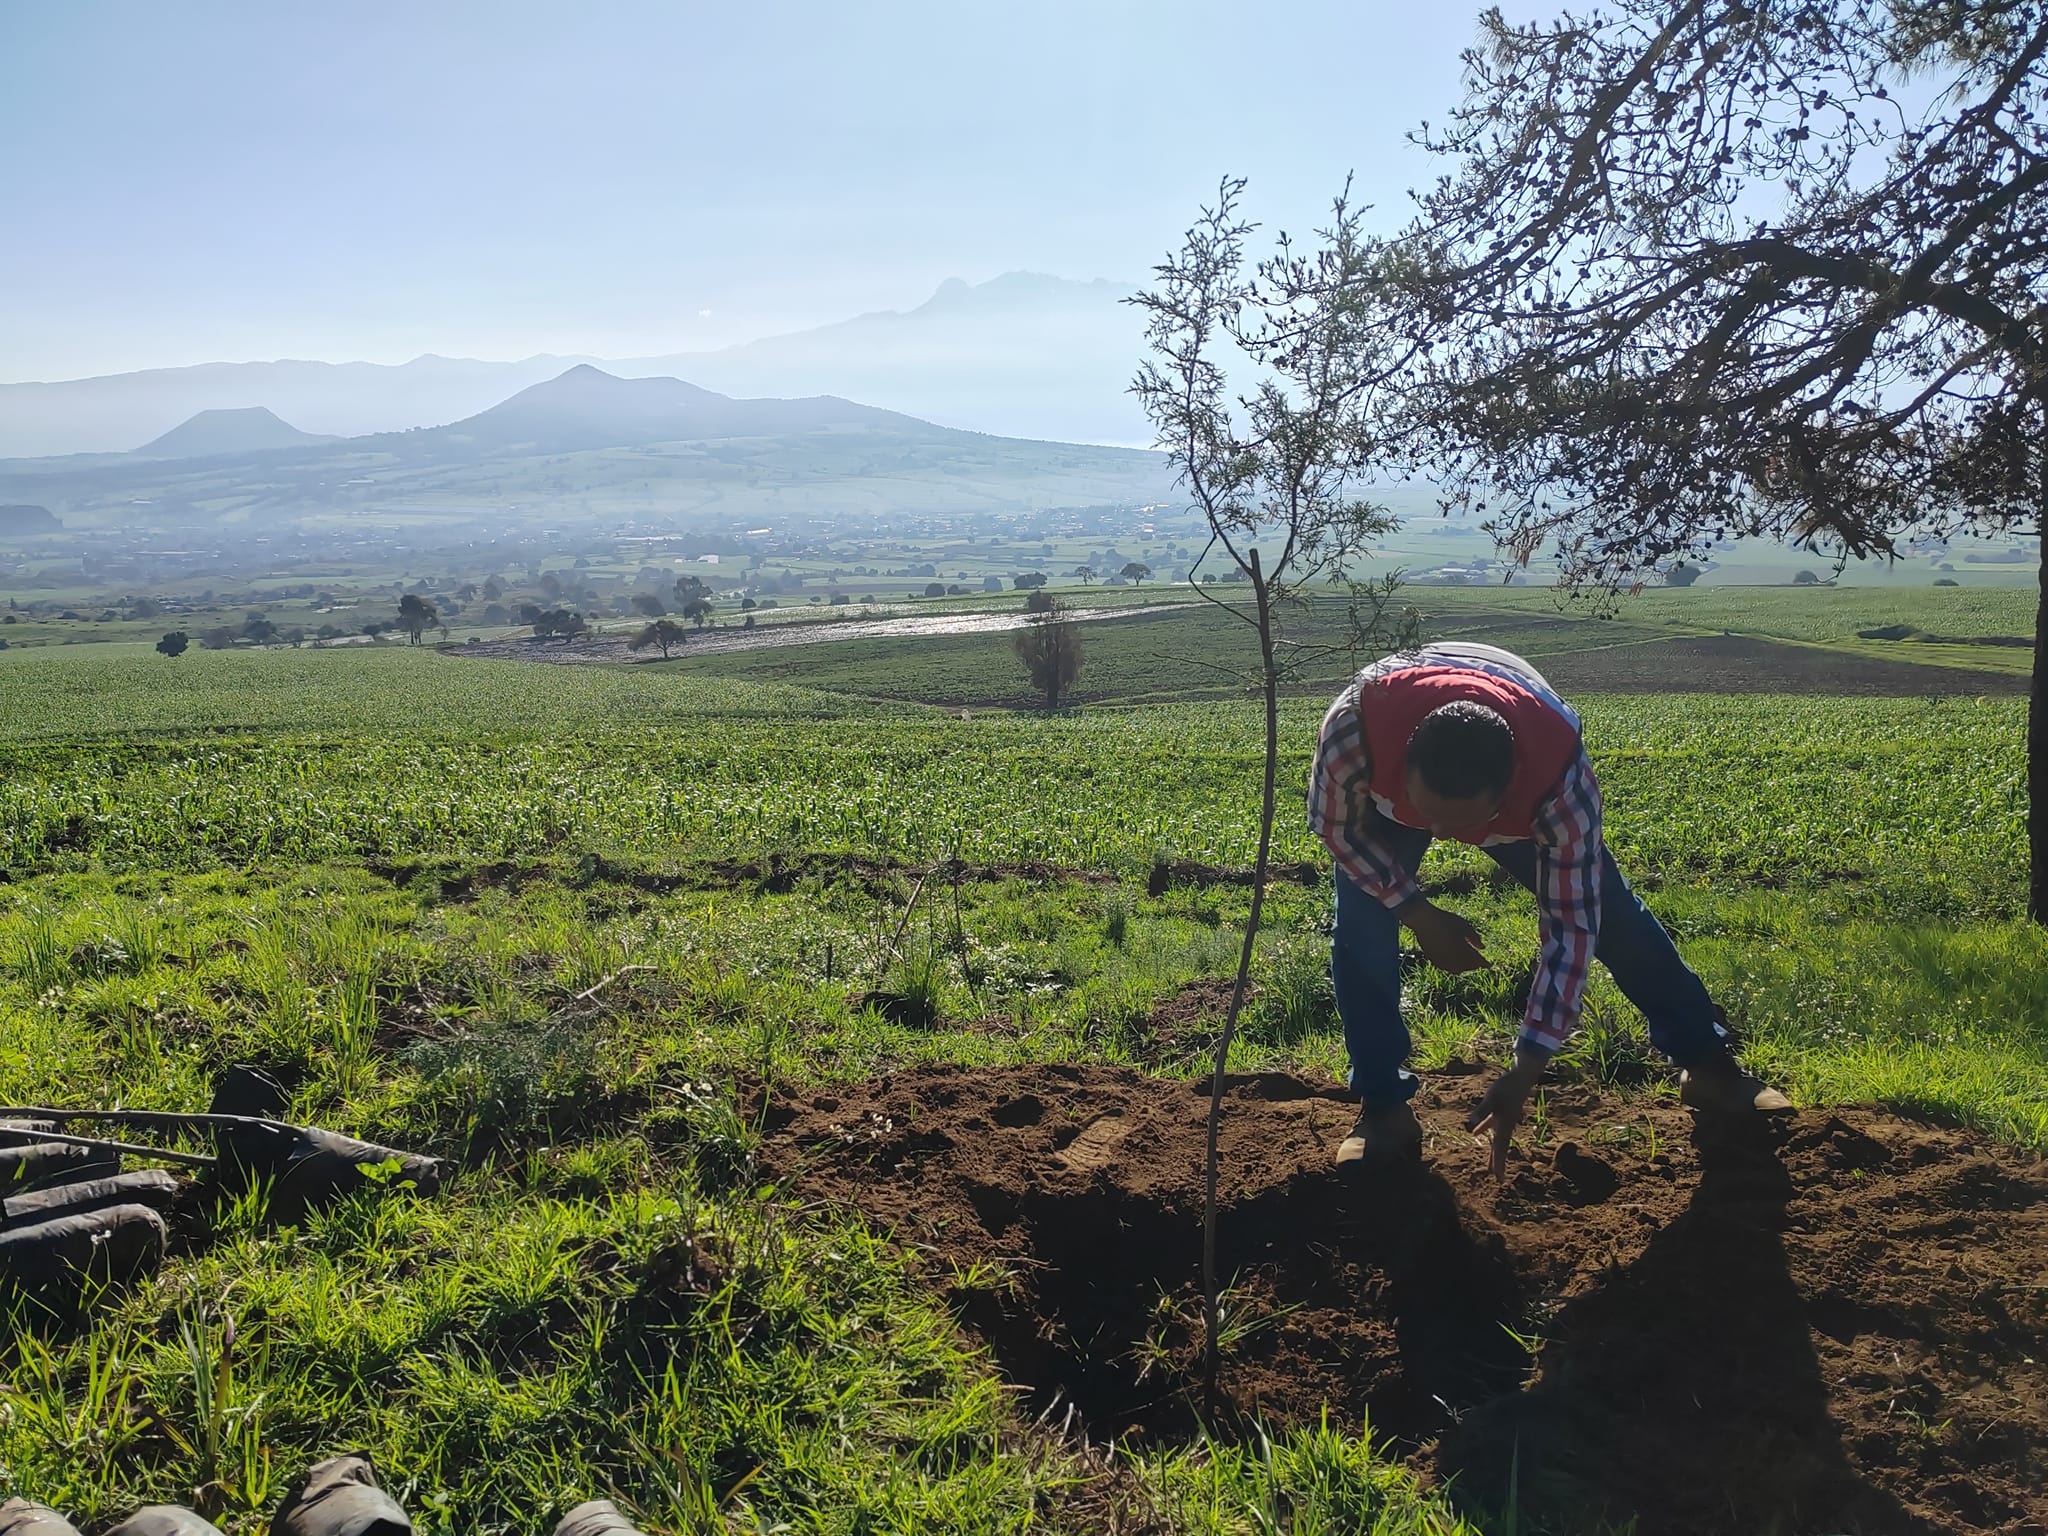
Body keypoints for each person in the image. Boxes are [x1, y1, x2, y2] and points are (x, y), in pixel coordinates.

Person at [1307, 642, 1789, 1175]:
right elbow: (1338, 830)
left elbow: (1572, 925)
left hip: (1516, 767)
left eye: (1463, 823)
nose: (1442, 837)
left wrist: (1526, 1066)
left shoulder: (1558, 779)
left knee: (1613, 915)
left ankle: (1708, 1064)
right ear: (1406, 769)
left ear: (1508, 791)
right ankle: (1382, 1108)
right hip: (1387, 793)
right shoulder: (1355, 730)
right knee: (1362, 927)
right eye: (1428, 815)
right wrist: (1418, 914)